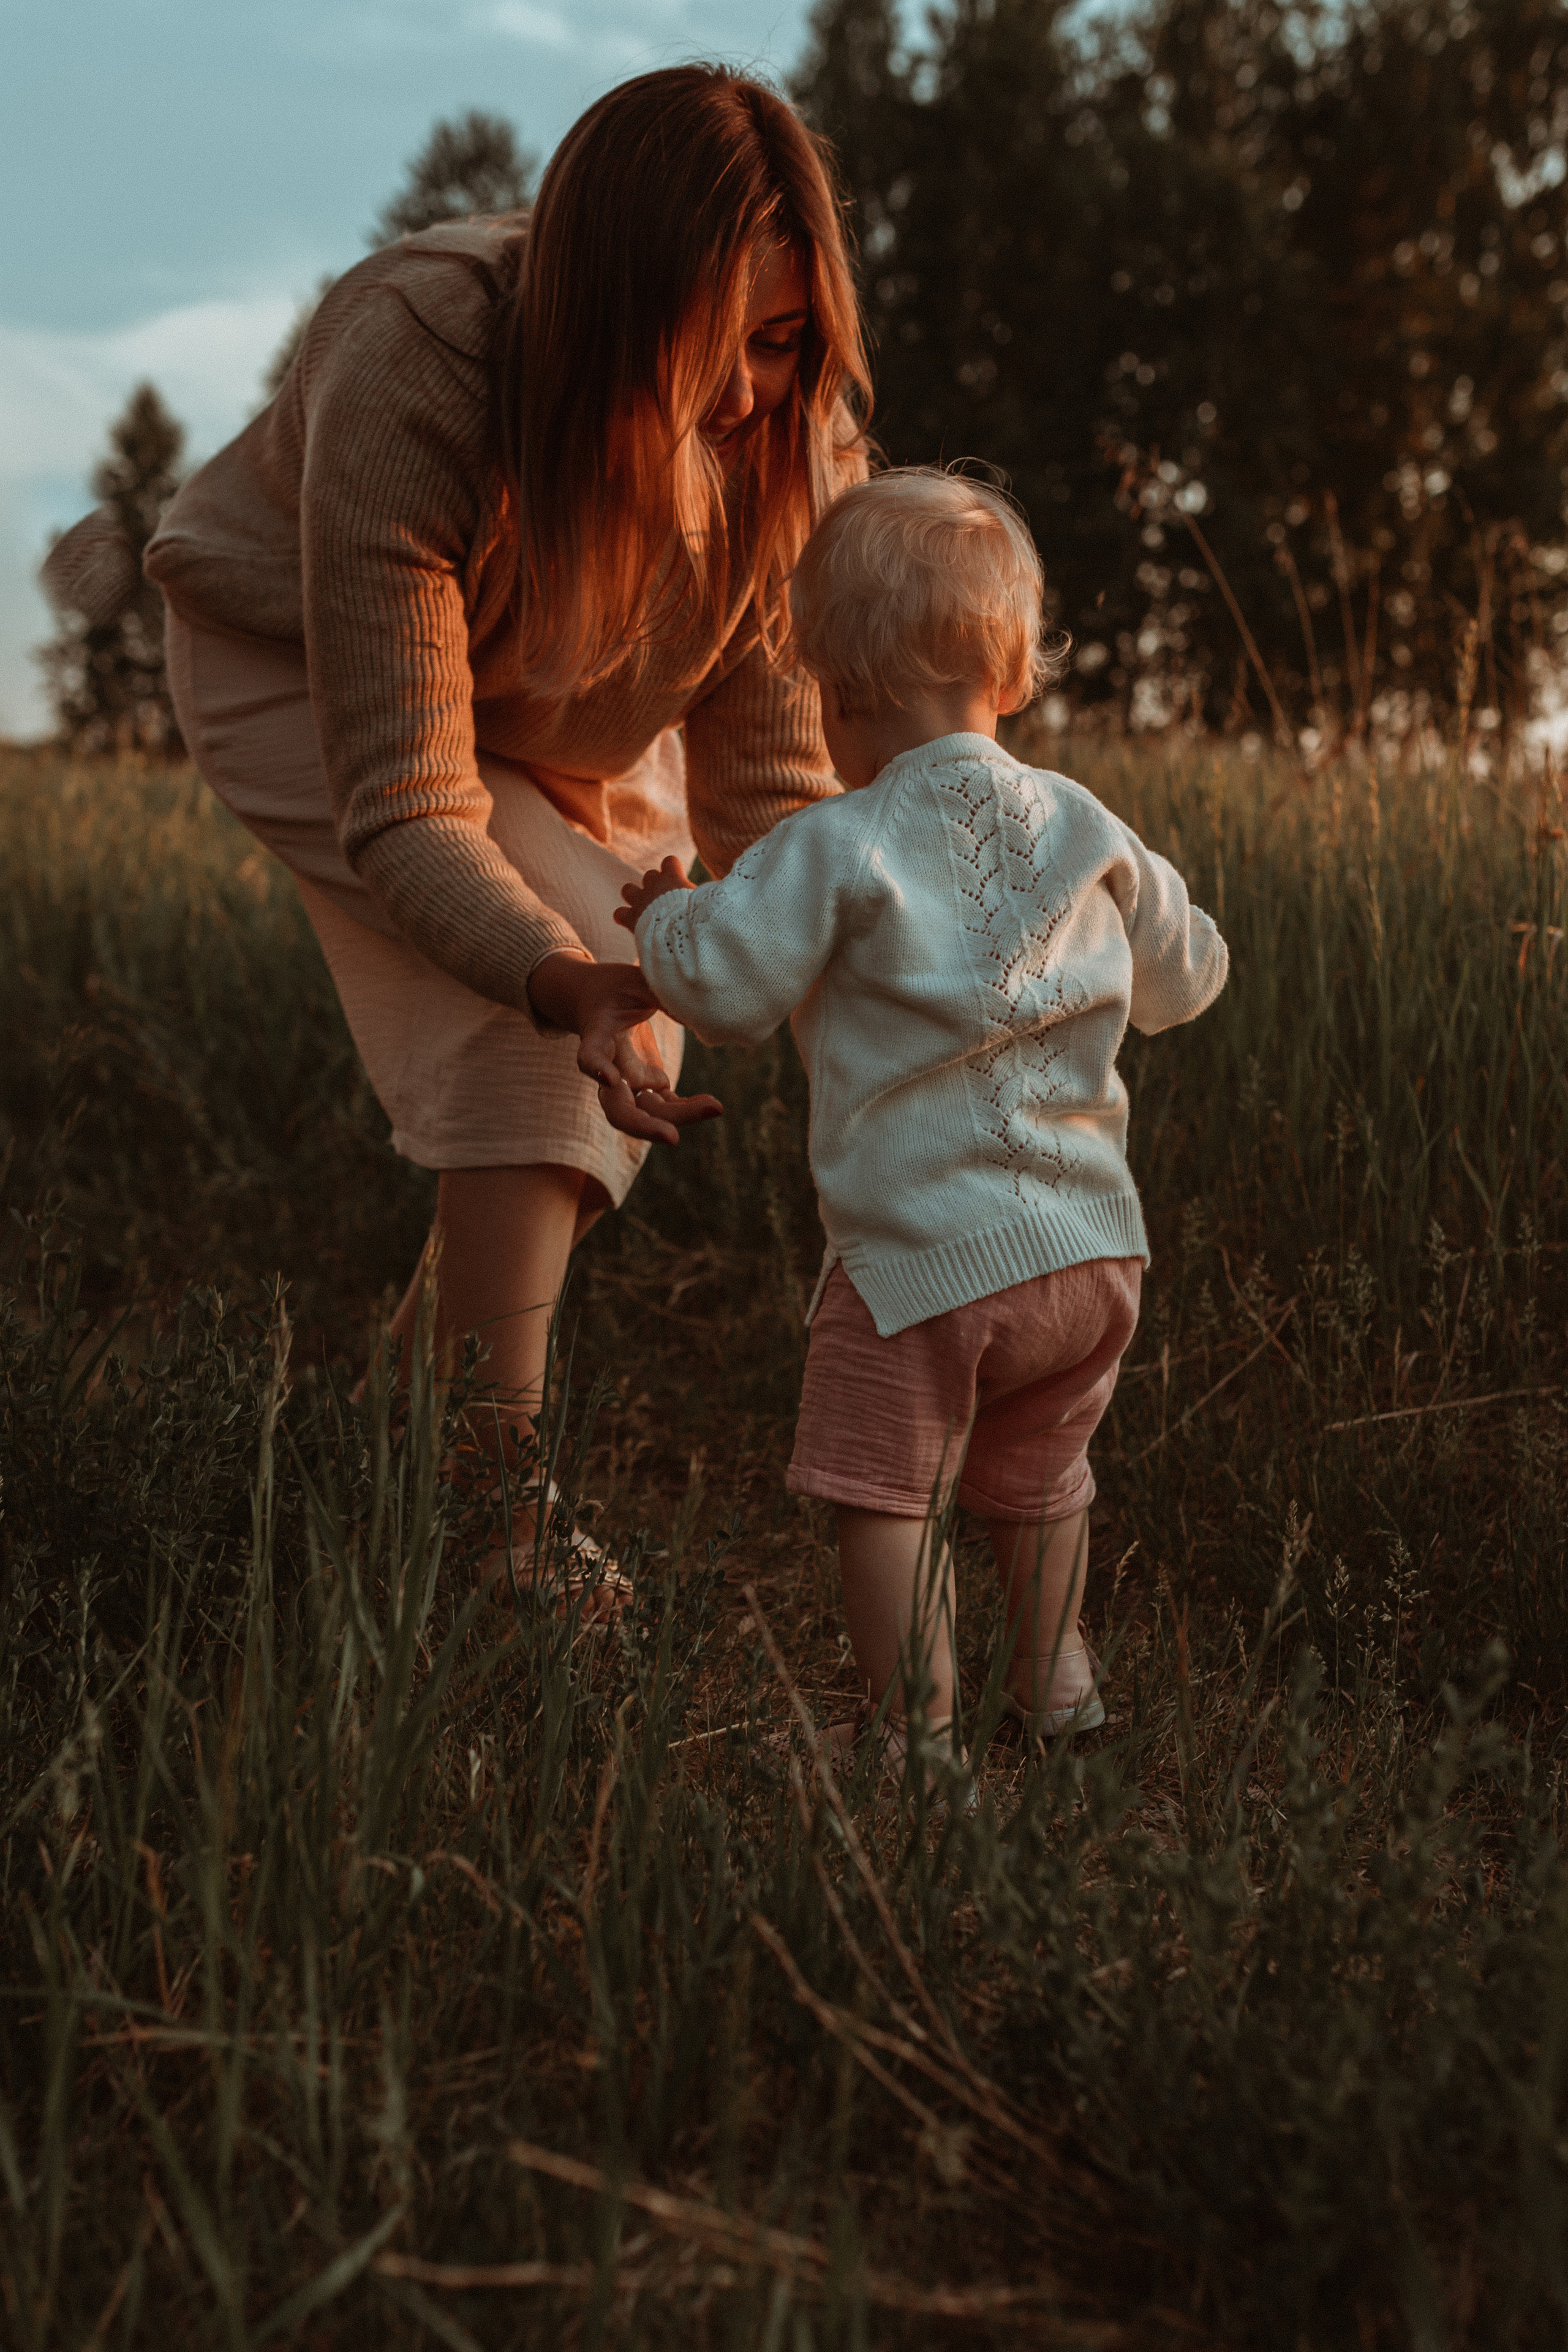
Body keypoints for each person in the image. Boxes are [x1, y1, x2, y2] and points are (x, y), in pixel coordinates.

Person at [47, 67, 870, 1587]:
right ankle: (487, 1515)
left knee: (649, 993)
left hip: (558, 699)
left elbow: (769, 797)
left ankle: (398, 1447)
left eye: (786, 339)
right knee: (546, 1007)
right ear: (620, 311)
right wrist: (558, 977)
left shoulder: (787, 442)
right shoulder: (419, 351)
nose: (760, 390)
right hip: (297, 665)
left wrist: (891, 981)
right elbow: (417, 807)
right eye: (727, 345)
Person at [616, 469, 1229, 1757]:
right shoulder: (1086, 821)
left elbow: (718, 987)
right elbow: (1185, 982)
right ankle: (1057, 1693)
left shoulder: (837, 838)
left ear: (830, 695)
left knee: (885, 1498)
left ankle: (915, 1740)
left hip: (917, 1264)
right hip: (1092, 1254)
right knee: (1038, 1483)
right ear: (1011, 674)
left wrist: (667, 909)